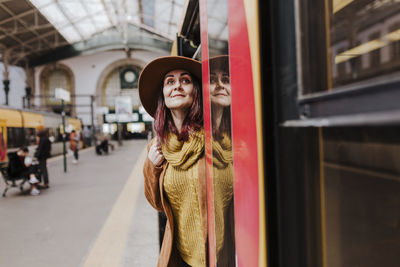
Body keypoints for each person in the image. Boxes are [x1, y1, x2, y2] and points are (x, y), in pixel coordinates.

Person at [139, 56, 206, 267]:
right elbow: (156, 203)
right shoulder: (156, 147)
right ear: (164, 96)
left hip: (221, 252)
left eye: (185, 80)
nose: (177, 85)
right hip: (181, 256)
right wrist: (152, 167)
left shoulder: (214, 139)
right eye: (170, 81)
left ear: (196, 90)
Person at [209, 55, 235, 266]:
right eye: (211, 80)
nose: (220, 86)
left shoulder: (241, 134)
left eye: (226, 79)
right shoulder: (195, 136)